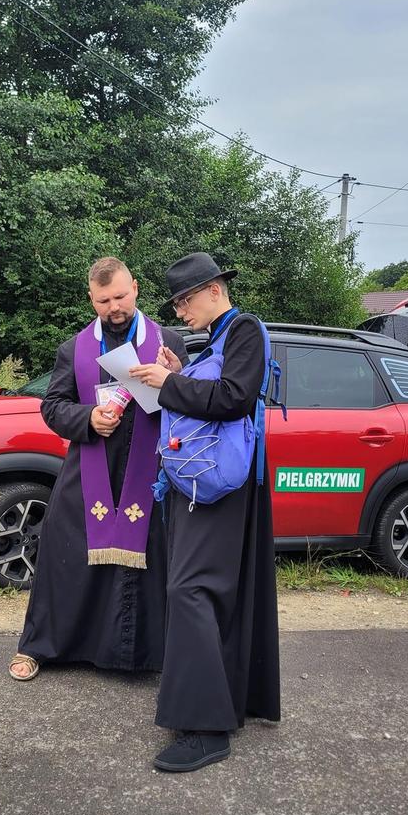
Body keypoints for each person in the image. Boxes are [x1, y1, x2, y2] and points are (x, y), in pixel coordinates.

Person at [130, 252, 280, 772]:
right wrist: (178, 371)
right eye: (175, 301)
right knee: (205, 591)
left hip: (221, 488)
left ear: (215, 289)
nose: (180, 309)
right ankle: (224, 702)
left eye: (185, 299)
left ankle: (208, 729)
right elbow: (209, 392)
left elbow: (234, 398)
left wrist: (167, 384)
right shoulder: (212, 340)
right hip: (199, 486)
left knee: (190, 590)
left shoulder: (245, 329)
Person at [9, 256, 188, 681]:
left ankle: (141, 656)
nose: (115, 307)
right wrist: (87, 418)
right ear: (92, 299)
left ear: (136, 289)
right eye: (104, 299)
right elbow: (52, 407)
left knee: (150, 561)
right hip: (90, 467)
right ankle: (39, 646)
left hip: (152, 473)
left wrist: (178, 378)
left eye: (121, 296)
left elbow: (191, 406)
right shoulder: (75, 349)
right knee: (62, 555)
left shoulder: (169, 343)